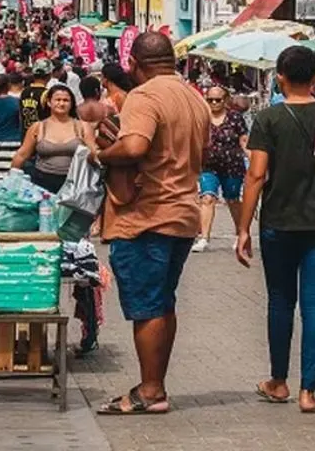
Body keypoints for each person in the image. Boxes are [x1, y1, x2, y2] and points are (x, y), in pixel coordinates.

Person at [93, 33, 209, 415]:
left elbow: (134, 147)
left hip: (146, 216)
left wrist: (101, 155)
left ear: (133, 63)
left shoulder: (145, 96)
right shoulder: (194, 97)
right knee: (162, 303)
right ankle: (154, 383)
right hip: (182, 213)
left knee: (147, 306)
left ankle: (150, 389)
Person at [236, 46, 315, 413]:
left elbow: (256, 174)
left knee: (280, 302)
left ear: (279, 77)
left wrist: (243, 227)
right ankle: (309, 392)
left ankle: (278, 380)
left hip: (277, 220)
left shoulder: (269, 119)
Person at [11, 84, 99, 194]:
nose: (61, 103)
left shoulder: (83, 127)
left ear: (71, 104)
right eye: (57, 100)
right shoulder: (37, 127)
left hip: (74, 185)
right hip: (42, 184)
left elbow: (94, 153)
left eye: (66, 100)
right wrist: (11, 180)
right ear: (49, 102)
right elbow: (22, 155)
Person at [193, 86, 248, 253]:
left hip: (232, 166)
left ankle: (240, 234)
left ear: (226, 100)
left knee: (232, 199)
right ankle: (204, 238)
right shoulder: (201, 118)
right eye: (210, 100)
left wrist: (254, 162)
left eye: (218, 100)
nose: (214, 103)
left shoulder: (235, 118)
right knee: (207, 198)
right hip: (208, 166)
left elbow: (244, 141)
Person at [20, 62, 51, 129]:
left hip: (26, 134)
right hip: (41, 134)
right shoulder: (47, 93)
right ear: (49, 76)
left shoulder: (24, 91)